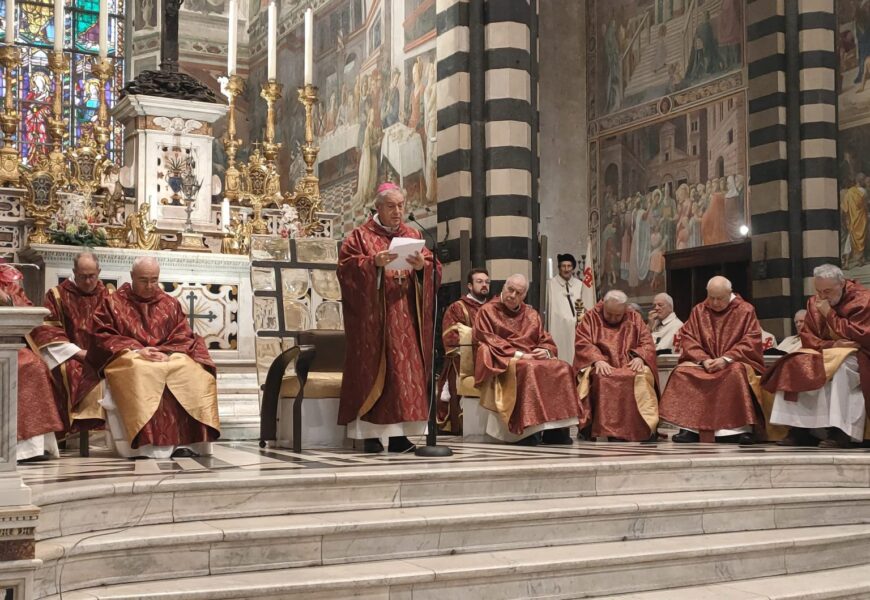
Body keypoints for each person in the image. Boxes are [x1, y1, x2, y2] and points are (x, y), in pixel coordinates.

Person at [337, 183, 441, 453]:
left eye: (401, 206)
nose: (398, 212)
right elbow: (346, 270)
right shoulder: (359, 237)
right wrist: (373, 264)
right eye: (392, 206)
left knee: (406, 375)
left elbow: (433, 267)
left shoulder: (412, 234)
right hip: (375, 321)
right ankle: (370, 435)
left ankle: (399, 436)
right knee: (376, 372)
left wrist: (422, 268)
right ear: (378, 208)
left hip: (407, 316)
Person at [87, 257, 220, 458]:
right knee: (144, 371)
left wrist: (166, 351)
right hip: (131, 357)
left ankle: (190, 442)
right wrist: (137, 349)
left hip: (166, 355)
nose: (150, 286)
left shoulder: (170, 303)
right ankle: (147, 445)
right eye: (143, 280)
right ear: (132, 276)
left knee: (191, 371)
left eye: (154, 280)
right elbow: (101, 336)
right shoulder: (112, 303)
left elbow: (183, 334)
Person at [763, 265, 870, 448]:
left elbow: (862, 335)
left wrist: (829, 313)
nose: (822, 296)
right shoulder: (815, 302)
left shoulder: (862, 299)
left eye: (827, 291)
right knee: (793, 362)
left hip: (859, 354)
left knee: (840, 368)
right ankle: (798, 430)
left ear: (842, 283)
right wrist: (831, 344)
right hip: (826, 352)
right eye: (818, 291)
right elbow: (808, 337)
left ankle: (840, 432)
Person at [473, 274, 587, 445]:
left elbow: (545, 339)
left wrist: (545, 350)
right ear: (504, 287)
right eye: (510, 289)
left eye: (518, 292)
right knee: (529, 368)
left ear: (524, 295)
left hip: (533, 357)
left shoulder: (531, 314)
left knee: (563, 367)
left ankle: (556, 430)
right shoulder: (487, 311)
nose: (512, 295)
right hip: (507, 359)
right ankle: (527, 431)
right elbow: (487, 339)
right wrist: (520, 355)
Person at [659, 276, 765, 444]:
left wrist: (726, 358)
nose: (714, 303)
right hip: (705, 364)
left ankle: (737, 429)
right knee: (682, 372)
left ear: (729, 293)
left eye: (719, 298)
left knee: (735, 373)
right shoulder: (699, 310)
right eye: (711, 297)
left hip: (732, 362)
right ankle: (689, 428)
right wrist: (703, 359)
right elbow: (689, 337)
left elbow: (752, 339)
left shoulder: (745, 310)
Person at [30, 252, 109, 436]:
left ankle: (105, 433)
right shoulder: (57, 295)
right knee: (71, 371)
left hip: (102, 355)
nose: (88, 281)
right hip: (69, 355)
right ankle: (74, 432)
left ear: (99, 272)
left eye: (92, 276)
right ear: (74, 272)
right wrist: (77, 352)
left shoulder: (108, 296)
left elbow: (117, 330)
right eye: (83, 276)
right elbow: (48, 332)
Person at [574, 290, 659, 442]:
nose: (613, 318)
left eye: (618, 315)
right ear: (604, 306)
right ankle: (607, 430)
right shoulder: (590, 318)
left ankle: (643, 428)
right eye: (609, 314)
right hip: (602, 364)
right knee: (602, 377)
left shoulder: (634, 318)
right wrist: (597, 359)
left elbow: (647, 342)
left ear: (625, 309)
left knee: (642, 374)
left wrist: (640, 357)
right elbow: (583, 342)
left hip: (629, 363)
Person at [0, 263, 65, 461]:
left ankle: (30, 449)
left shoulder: (7, 280)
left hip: (7, 344)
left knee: (32, 364)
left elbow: (27, 308)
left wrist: (7, 300)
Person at [437, 268, 490, 434]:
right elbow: (451, 336)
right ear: (469, 285)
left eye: (487, 282)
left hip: (491, 356)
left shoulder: (493, 308)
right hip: (465, 359)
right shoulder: (457, 307)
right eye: (479, 282)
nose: (484, 285)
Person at [546, 253, 582, 364]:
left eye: (569, 266)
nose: (566, 269)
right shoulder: (550, 285)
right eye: (563, 266)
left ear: (573, 268)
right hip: (557, 329)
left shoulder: (580, 285)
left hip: (576, 330)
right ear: (559, 268)